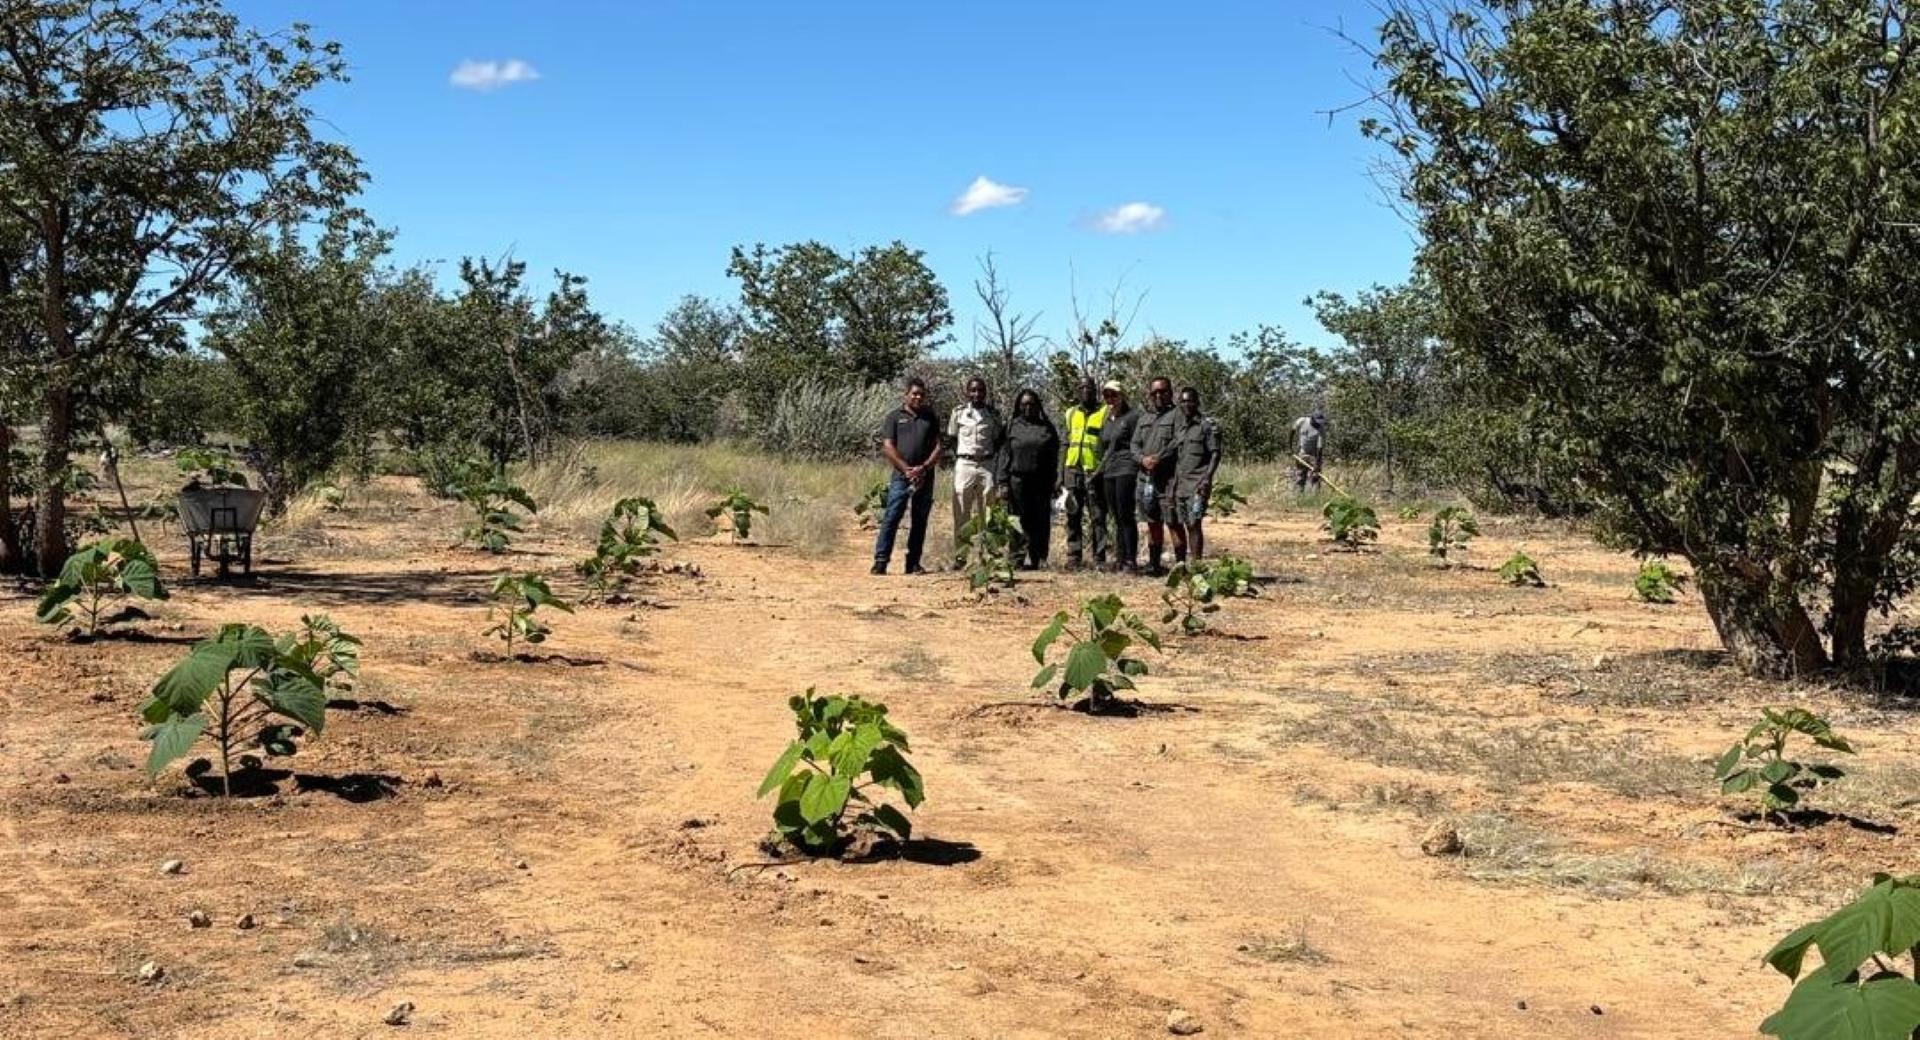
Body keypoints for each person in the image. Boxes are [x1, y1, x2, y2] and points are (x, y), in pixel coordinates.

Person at [871, 378, 942, 575]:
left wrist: (924, 468)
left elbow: (938, 446)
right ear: (906, 394)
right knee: (892, 516)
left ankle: (913, 563)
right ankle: (881, 561)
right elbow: (887, 446)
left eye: (921, 394)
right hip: (902, 477)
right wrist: (907, 470)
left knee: (920, 520)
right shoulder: (894, 417)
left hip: (925, 477)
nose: (918, 397)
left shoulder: (930, 417)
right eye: (914, 393)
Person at [998, 389, 1060, 569]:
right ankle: (1016, 558)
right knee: (1017, 520)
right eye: (1024, 404)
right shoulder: (1012, 426)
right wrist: (1002, 481)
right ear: (1018, 406)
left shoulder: (1047, 428)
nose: (1028, 407)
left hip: (1041, 482)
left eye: (1031, 404)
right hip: (1017, 480)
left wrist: (1055, 480)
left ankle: (1038, 558)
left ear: (1038, 405)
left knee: (1040, 520)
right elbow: (1004, 454)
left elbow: (1054, 456)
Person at [948, 376, 1006, 556]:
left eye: (980, 390)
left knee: (989, 512)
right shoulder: (958, 413)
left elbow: (998, 439)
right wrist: (962, 455)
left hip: (987, 465)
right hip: (964, 464)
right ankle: (961, 556)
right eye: (973, 390)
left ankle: (989, 555)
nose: (977, 394)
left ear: (985, 393)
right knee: (961, 511)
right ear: (967, 392)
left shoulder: (993, 415)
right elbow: (951, 437)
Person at [1131, 376, 1181, 575]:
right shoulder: (1144, 418)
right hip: (1146, 479)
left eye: (1163, 391)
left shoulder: (1178, 415)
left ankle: (1181, 566)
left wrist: (1159, 458)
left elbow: (1178, 441)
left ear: (1170, 392)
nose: (1158, 396)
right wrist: (1142, 459)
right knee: (1152, 522)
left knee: (1173, 522)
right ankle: (1154, 564)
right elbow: (1134, 445)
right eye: (1154, 393)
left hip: (1169, 479)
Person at [1058, 377, 1108, 569]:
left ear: (1095, 390)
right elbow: (1065, 443)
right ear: (1077, 391)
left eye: (1089, 387)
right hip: (1073, 471)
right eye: (1081, 387)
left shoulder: (1104, 412)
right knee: (1073, 514)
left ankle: (1099, 558)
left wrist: (1101, 469)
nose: (1085, 391)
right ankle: (1074, 556)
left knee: (1098, 515)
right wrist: (1061, 474)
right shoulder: (1071, 413)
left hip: (1094, 472)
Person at [1094, 381, 1141, 573]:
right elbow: (1104, 447)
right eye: (1107, 396)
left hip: (1126, 469)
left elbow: (1138, 443)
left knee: (1126, 515)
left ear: (1122, 396)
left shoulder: (1132, 417)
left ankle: (1131, 560)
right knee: (1115, 517)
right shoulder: (1108, 420)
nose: (1110, 400)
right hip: (1109, 471)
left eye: (1114, 395)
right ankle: (1120, 559)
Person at [1171, 386, 1223, 562]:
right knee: (1181, 523)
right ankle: (1181, 565)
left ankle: (1196, 565)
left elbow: (1215, 453)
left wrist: (1207, 478)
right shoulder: (1180, 428)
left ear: (1197, 402)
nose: (1186, 404)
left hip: (1198, 483)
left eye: (1190, 400)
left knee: (1194, 524)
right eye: (1183, 401)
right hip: (1181, 485)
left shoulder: (1206, 426)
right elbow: (1179, 459)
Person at [1291, 408, 1327, 492]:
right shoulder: (1302, 421)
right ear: (1312, 419)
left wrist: (1317, 464)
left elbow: (1320, 448)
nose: (1318, 424)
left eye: (1320, 423)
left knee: (1315, 477)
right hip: (1302, 453)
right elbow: (1292, 431)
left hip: (1314, 455)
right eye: (1317, 422)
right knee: (1300, 475)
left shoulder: (1321, 430)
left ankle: (1315, 497)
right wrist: (1290, 448)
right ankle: (1299, 495)